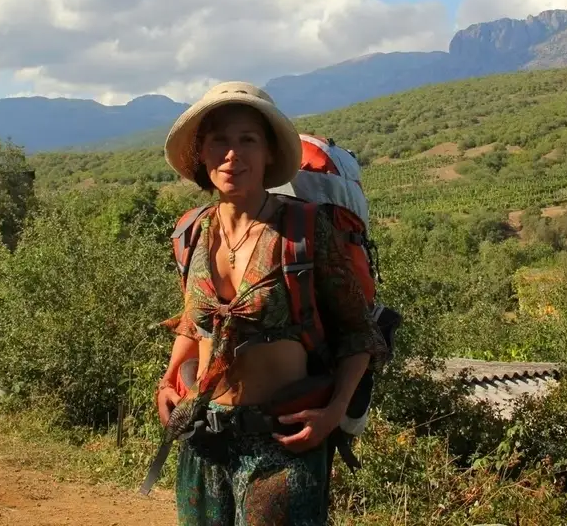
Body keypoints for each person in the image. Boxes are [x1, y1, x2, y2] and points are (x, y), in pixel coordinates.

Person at [152, 81, 389, 525]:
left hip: (283, 442)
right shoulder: (193, 232)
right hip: (205, 434)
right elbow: (194, 320)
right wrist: (167, 381)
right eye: (219, 140)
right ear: (201, 155)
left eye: (247, 140)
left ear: (267, 156)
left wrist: (333, 413)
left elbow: (360, 332)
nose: (232, 154)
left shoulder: (303, 230)